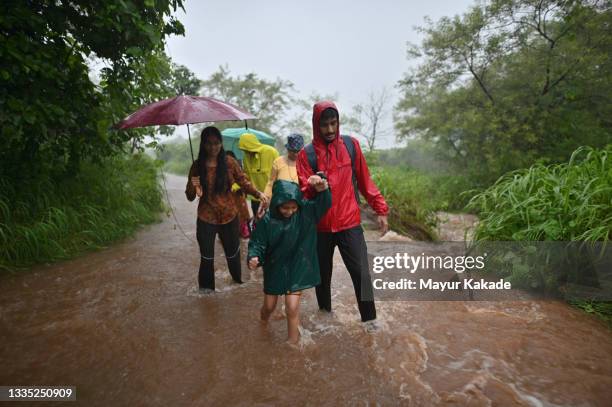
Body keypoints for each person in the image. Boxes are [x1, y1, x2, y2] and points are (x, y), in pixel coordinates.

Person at [296, 101, 389, 324]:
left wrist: (380, 209)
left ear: (338, 122)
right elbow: (302, 191)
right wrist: (312, 186)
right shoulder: (305, 154)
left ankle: (371, 324)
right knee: (322, 279)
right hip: (319, 227)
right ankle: (326, 321)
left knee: (362, 275)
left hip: (349, 223)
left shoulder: (350, 146)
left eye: (333, 123)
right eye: (324, 125)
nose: (329, 130)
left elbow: (366, 181)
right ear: (315, 125)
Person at [247, 176, 331, 344]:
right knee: (269, 307)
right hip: (274, 266)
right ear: (277, 203)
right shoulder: (267, 221)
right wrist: (254, 256)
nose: (290, 211)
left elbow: (323, 204)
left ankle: (292, 344)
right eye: (285, 207)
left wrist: (323, 189)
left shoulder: (305, 212)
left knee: (292, 308)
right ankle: (263, 322)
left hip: (297, 264)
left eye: (293, 207)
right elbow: (257, 243)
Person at [186, 126, 269, 292]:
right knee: (207, 258)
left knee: (233, 255)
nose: (213, 147)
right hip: (206, 218)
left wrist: (258, 193)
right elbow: (190, 196)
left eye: (216, 143)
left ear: (221, 143)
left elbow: (244, 182)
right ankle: (206, 294)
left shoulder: (229, 163)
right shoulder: (197, 166)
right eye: (209, 143)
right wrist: (193, 185)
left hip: (229, 216)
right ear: (203, 144)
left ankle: (237, 284)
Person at [238, 133, 279, 219]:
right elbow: (247, 176)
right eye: (244, 150)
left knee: (273, 222)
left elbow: (279, 173)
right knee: (258, 223)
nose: (246, 152)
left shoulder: (271, 152)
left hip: (272, 197)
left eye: (247, 149)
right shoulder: (246, 157)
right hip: (256, 197)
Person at [263, 133, 304, 199]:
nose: (296, 154)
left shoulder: (306, 162)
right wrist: (266, 196)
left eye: (298, 151)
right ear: (288, 149)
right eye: (293, 151)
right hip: (281, 201)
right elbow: (271, 182)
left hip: (300, 201)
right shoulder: (278, 162)